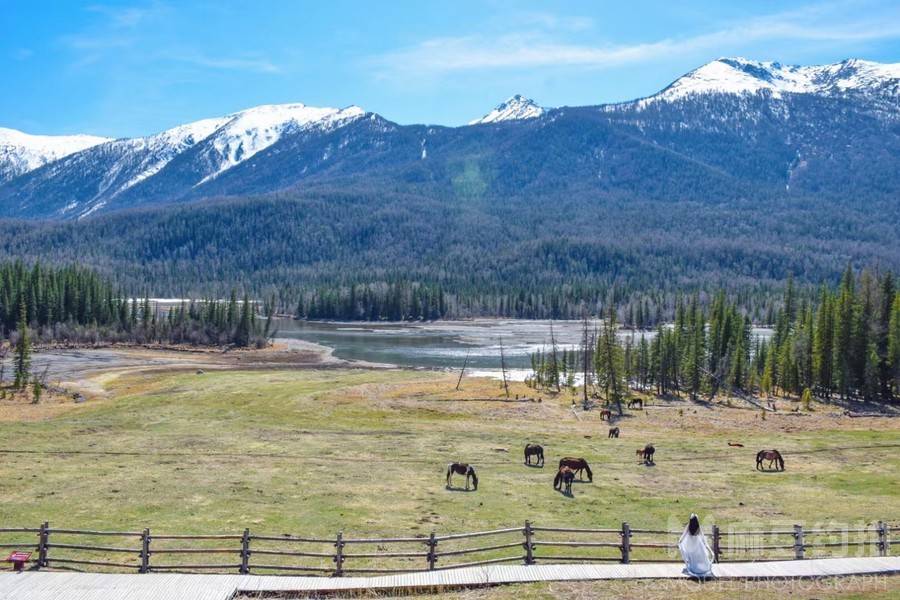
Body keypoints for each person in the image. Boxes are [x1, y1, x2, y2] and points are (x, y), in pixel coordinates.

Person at [678, 514, 715, 579]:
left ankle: (694, 568)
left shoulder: (689, 526)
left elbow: (684, 535)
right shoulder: (698, 527)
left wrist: (680, 542)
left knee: (692, 557)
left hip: (690, 544)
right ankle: (700, 568)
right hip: (698, 544)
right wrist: (706, 546)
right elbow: (703, 537)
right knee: (699, 557)